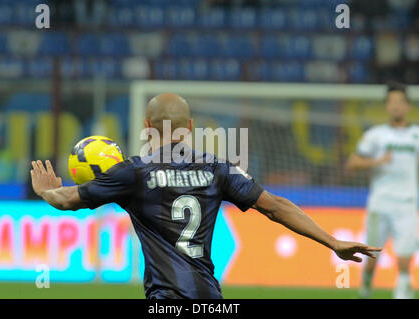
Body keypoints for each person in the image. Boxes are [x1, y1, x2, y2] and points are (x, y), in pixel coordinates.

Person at [30, 93, 381, 299]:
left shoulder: (132, 173)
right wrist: (333, 242)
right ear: (192, 127)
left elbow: (68, 200)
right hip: (210, 298)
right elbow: (276, 207)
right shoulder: (218, 168)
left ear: (148, 127)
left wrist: (46, 191)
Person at [347, 83, 418, 299]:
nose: (396, 107)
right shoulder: (376, 135)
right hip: (380, 204)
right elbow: (353, 163)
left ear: (408, 106)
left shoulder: (416, 134)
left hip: (406, 204)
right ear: (386, 106)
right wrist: (378, 160)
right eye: (392, 102)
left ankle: (402, 292)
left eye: (400, 102)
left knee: (405, 259)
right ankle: (367, 283)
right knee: (371, 257)